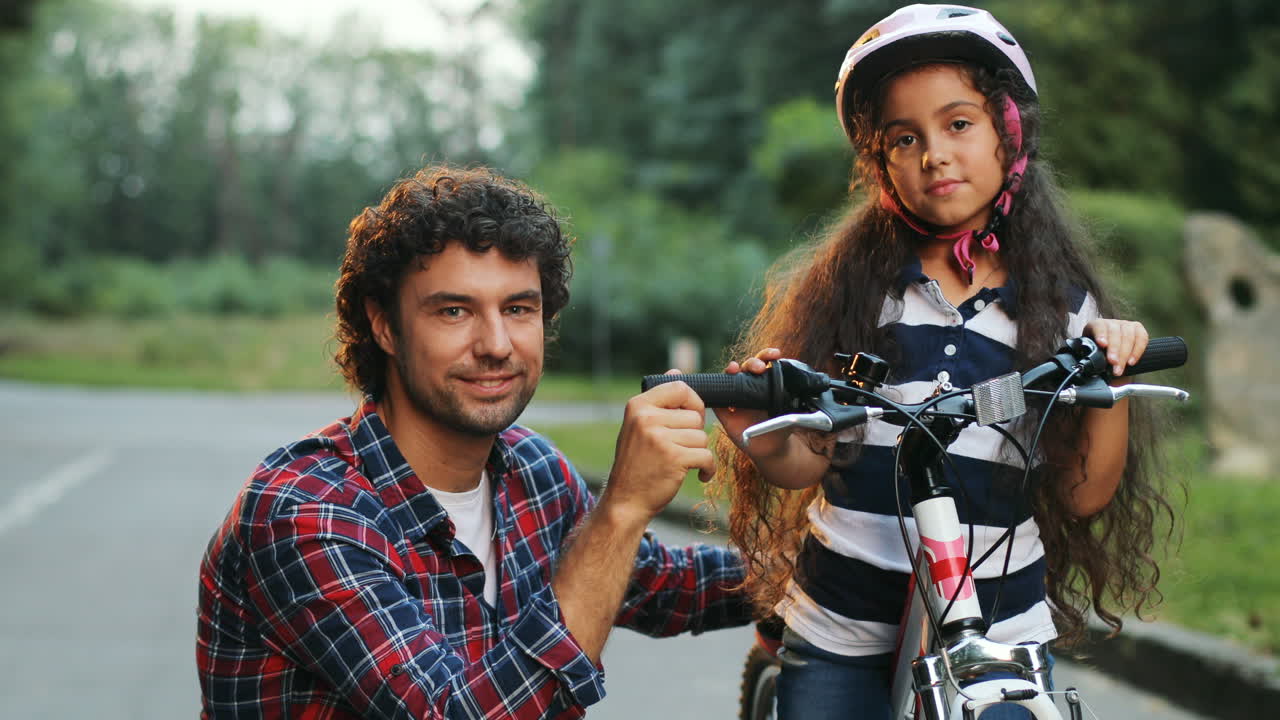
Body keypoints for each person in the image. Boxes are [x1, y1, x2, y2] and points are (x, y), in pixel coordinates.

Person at [712, 5, 1176, 719]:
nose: (934, 154)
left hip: (998, 610)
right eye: (905, 138)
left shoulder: (1063, 307)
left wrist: (1107, 378)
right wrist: (760, 431)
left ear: (1007, 131)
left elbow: (1084, 496)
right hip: (848, 607)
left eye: (959, 123)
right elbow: (807, 463)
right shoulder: (853, 290)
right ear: (881, 162)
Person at [195, 165, 750, 718]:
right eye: (454, 311)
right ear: (384, 326)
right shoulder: (306, 512)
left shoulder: (532, 469)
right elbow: (454, 711)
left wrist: (819, 526)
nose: (496, 344)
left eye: (518, 309)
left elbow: (669, 583)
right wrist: (623, 506)